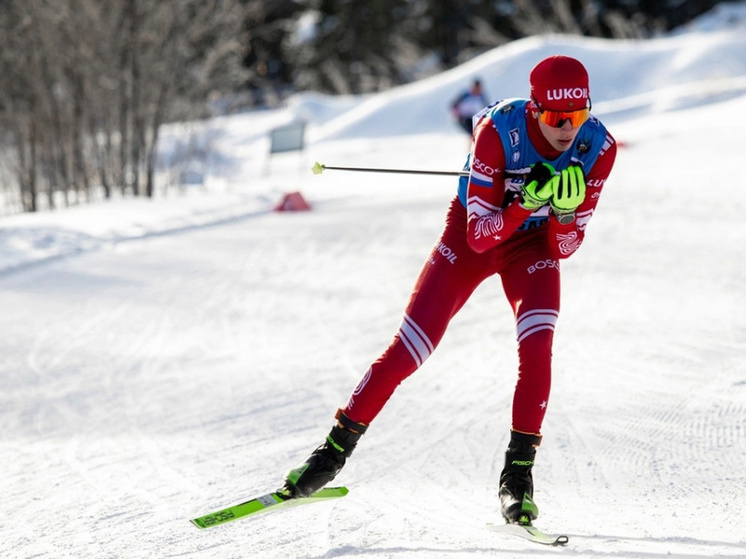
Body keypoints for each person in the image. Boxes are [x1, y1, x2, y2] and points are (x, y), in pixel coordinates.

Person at [281, 55, 617, 525]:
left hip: (531, 247)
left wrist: (561, 214)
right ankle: (329, 455)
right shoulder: (499, 132)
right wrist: (524, 204)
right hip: (472, 235)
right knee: (409, 349)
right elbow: (480, 235)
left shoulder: (597, 146)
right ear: (535, 109)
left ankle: (517, 478)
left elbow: (565, 247)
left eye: (576, 116)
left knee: (538, 346)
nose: (566, 129)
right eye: (555, 117)